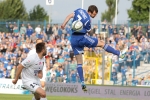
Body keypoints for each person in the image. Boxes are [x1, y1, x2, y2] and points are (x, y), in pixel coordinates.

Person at [61, 5, 127, 91]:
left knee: (79, 62)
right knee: (102, 44)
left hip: (73, 39)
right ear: (90, 12)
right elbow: (90, 32)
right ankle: (119, 54)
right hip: (82, 38)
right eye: (94, 14)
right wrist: (95, 39)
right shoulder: (88, 20)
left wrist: (63, 24)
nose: (94, 16)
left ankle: (83, 83)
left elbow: (69, 16)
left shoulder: (79, 10)